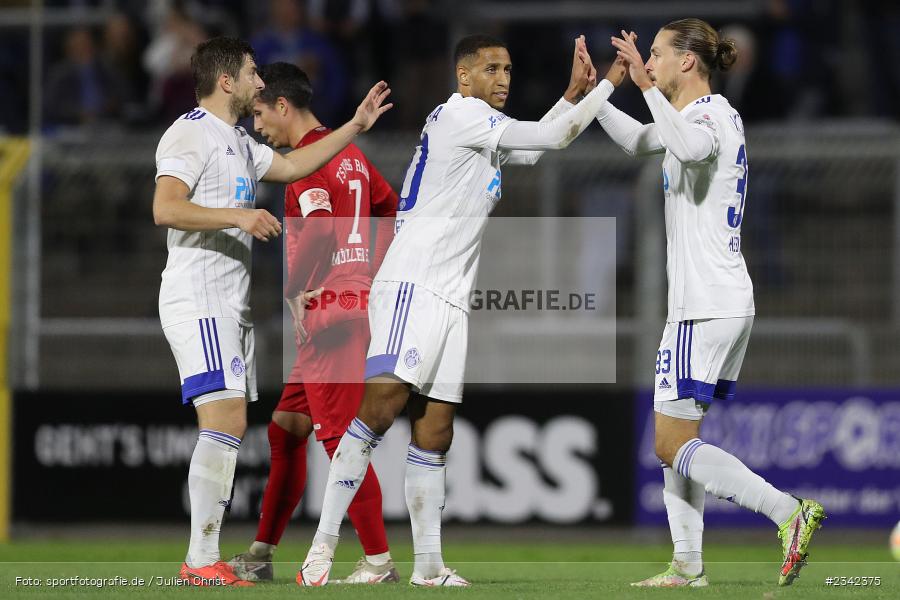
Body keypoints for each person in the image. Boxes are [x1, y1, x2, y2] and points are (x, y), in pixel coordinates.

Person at [298, 33, 624, 587]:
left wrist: (572, 93)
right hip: (413, 283)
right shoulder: (462, 115)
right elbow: (556, 138)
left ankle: (428, 568)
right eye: (491, 68)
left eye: (509, 69)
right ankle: (321, 550)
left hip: (450, 296)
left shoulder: (483, 129)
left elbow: (531, 145)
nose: (503, 77)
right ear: (464, 76)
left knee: (436, 432)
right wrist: (612, 81)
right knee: (379, 410)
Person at [152, 36, 391, 587]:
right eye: (253, 73)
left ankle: (236, 555)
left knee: (268, 426)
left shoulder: (236, 141)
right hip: (199, 298)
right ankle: (200, 560)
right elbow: (165, 207)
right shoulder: (189, 131)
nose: (261, 82)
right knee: (227, 422)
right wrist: (239, 214)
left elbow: (293, 164)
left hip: (229, 308)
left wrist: (353, 126)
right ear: (228, 80)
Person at [596, 19, 825, 587]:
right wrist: (596, 93)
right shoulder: (697, 117)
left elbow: (688, 145)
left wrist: (645, 91)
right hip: (714, 301)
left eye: (655, 55)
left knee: (670, 443)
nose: (647, 65)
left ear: (687, 62)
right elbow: (637, 140)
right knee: (681, 439)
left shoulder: (708, 117)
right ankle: (687, 566)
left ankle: (786, 512)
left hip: (705, 304)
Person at [225, 61, 399, 584]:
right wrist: (369, 271)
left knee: (342, 441)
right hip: (351, 305)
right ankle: (260, 554)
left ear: (283, 106)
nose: (257, 127)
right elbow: (389, 209)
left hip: (328, 318)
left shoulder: (303, 163)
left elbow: (320, 230)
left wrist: (294, 289)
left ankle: (378, 562)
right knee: (287, 430)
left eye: (259, 113)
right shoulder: (349, 155)